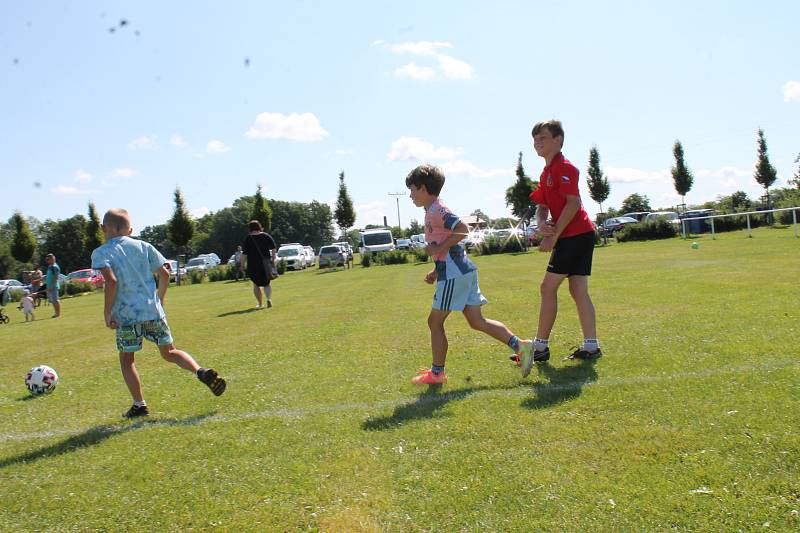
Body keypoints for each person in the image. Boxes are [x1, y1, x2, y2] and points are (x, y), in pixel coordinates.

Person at [91, 208, 226, 418]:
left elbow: (111, 281)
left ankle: (139, 404)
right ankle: (200, 371)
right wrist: (159, 300)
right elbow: (164, 273)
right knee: (170, 352)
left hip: (127, 318)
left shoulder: (101, 253)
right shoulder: (144, 246)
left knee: (127, 360)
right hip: (153, 311)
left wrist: (107, 313)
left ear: (103, 228)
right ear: (131, 229)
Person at [405, 164, 533, 384]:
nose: (410, 195)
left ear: (424, 188)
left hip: (455, 275)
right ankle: (521, 347)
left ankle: (437, 374)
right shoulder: (431, 211)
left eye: (412, 190)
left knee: (434, 322)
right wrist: (436, 270)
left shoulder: (437, 210)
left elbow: (463, 229)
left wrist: (438, 249)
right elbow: (449, 248)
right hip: (460, 272)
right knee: (476, 321)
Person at [520, 119, 601, 377]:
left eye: (543, 137)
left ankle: (540, 347)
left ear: (558, 140)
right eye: (535, 139)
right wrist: (543, 224)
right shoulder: (546, 173)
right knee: (578, 289)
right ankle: (591, 346)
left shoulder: (565, 168)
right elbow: (541, 205)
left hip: (576, 235)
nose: (537, 142)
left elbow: (574, 203)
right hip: (576, 235)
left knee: (548, 287)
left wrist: (553, 237)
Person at [241, 220, 277, 309]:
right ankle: (269, 299)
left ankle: (260, 304)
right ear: (259, 226)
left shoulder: (248, 239)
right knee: (267, 283)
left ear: (250, 228)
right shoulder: (266, 236)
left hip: (253, 264)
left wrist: (242, 265)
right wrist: (273, 258)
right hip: (265, 264)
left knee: (256, 284)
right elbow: (273, 247)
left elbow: (244, 254)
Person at [44, 253, 61, 318]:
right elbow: (48, 276)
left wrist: (51, 286)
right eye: (46, 259)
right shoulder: (50, 266)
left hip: (53, 286)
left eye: (48, 259)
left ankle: (58, 314)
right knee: (53, 301)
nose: (47, 261)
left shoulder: (54, 267)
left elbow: (55, 277)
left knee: (56, 300)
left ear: (53, 259)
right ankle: (56, 313)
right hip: (49, 286)